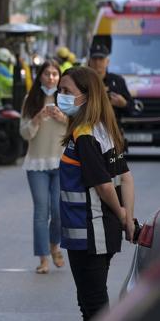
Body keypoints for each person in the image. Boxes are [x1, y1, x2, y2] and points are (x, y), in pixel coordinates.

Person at [57, 66, 135, 320]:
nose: (61, 96)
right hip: (98, 233)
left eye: (66, 91)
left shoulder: (85, 136)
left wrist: (123, 214)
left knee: (93, 307)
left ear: (86, 95)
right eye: (60, 91)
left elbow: (104, 185)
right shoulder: (102, 129)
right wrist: (126, 217)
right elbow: (126, 177)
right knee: (93, 303)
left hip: (90, 235)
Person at [19, 60, 67, 274]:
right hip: (36, 164)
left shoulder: (66, 99)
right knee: (41, 211)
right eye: (47, 73)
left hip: (61, 163)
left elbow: (77, 129)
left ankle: (54, 246)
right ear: (40, 76)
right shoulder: (31, 100)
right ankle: (43, 259)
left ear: (59, 77)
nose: (51, 77)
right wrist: (37, 118)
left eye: (55, 74)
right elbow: (24, 133)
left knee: (58, 211)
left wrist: (62, 117)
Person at [87, 43, 133, 128]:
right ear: (89, 61)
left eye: (101, 59)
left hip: (112, 131)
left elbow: (131, 110)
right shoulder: (83, 81)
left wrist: (124, 104)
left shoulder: (117, 81)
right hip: (89, 131)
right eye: (94, 59)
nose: (97, 62)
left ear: (107, 62)